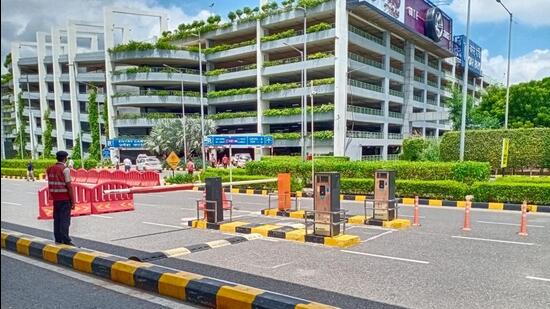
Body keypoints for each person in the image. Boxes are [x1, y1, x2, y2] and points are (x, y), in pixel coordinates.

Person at [46, 151, 75, 245]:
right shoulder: (65, 169)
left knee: (57, 219)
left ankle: (58, 239)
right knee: (65, 220)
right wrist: (73, 201)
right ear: (65, 158)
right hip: (64, 198)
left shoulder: (50, 168)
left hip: (55, 198)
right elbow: (69, 186)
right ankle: (66, 240)